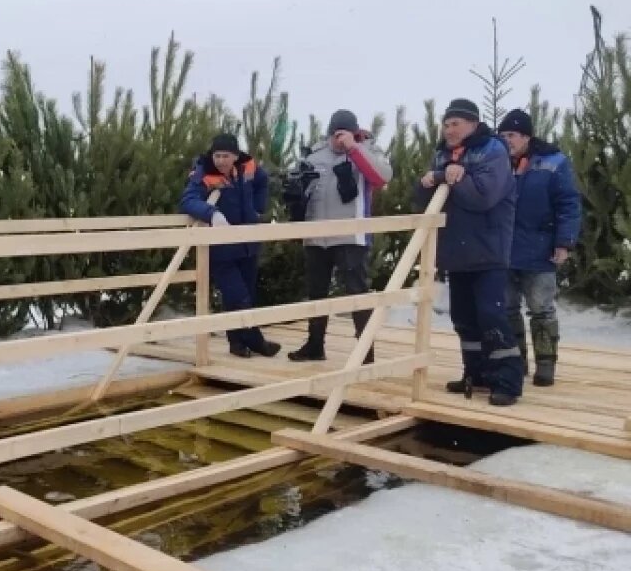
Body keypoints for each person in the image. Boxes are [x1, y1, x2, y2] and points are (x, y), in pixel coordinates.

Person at [415, 98, 523, 406]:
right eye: (446, 124)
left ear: (473, 124)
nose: (449, 130)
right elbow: (422, 196)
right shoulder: (443, 154)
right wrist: (437, 177)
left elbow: (483, 197)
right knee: (464, 318)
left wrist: (453, 175)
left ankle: (507, 380)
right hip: (456, 250)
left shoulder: (493, 151)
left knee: (491, 315)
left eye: (455, 124)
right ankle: (475, 373)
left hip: (488, 249)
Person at [284, 109, 393, 364]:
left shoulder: (368, 151)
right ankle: (314, 345)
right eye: (335, 133)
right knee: (316, 292)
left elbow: (381, 178)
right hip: (315, 236)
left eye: (343, 133)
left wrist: (354, 149)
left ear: (354, 132)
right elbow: (299, 189)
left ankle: (365, 351)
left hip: (350, 236)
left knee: (357, 292)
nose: (338, 138)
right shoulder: (315, 155)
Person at [496, 108, 582, 387]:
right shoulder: (497, 162)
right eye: (503, 135)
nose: (506, 140)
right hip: (503, 249)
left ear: (526, 136)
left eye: (511, 134)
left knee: (541, 308)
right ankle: (516, 360)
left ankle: (546, 364)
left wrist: (564, 242)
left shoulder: (554, 162)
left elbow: (568, 204)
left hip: (540, 248)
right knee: (507, 308)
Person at [180, 133, 280, 358]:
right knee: (239, 295)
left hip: (248, 244)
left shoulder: (248, 167)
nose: (221, 160)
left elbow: (263, 181)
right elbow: (187, 200)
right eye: (217, 155)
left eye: (225, 155)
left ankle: (237, 343)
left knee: (247, 295)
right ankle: (255, 340)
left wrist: (258, 207)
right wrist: (212, 213)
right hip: (222, 249)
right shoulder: (203, 173)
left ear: (235, 156)